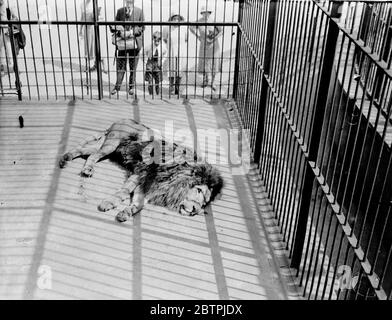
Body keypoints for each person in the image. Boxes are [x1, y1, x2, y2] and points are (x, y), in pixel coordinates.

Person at [110, 0, 144, 96]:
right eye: (127, 1)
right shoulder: (120, 11)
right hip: (122, 44)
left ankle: (131, 87)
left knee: (133, 67)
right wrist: (120, 30)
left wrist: (131, 32)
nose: (128, 3)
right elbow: (114, 26)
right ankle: (117, 87)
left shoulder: (139, 11)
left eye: (130, 1)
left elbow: (142, 27)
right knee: (121, 66)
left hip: (134, 43)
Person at [190, 5, 222, 91]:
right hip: (204, 44)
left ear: (209, 13)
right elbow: (191, 27)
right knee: (204, 62)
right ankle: (205, 80)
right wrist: (198, 36)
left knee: (214, 62)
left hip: (214, 45)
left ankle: (213, 82)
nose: (206, 14)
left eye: (207, 12)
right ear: (202, 13)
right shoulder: (199, 21)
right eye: (204, 12)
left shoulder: (213, 21)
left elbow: (221, 30)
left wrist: (215, 37)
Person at [162, 12, 187, 95]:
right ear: (171, 19)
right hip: (171, 50)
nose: (176, 20)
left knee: (179, 69)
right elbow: (165, 39)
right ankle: (171, 86)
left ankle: (177, 87)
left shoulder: (184, 28)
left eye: (178, 18)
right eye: (174, 18)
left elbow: (186, 39)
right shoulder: (167, 28)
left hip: (181, 51)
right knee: (171, 69)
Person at [79, 0, 105, 72]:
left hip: (94, 28)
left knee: (95, 47)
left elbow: (102, 18)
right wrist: (80, 29)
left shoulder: (97, 3)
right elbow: (82, 18)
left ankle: (99, 62)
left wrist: (96, 17)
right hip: (87, 29)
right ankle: (90, 66)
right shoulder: (82, 4)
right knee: (87, 47)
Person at [144, 31, 167, 96]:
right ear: (153, 40)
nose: (156, 43)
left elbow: (166, 54)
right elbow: (142, 53)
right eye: (155, 41)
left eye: (158, 41)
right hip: (150, 63)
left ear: (160, 40)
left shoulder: (163, 47)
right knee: (150, 82)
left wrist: (162, 61)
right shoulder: (149, 46)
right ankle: (150, 94)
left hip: (158, 64)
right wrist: (146, 61)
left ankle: (157, 94)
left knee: (158, 81)